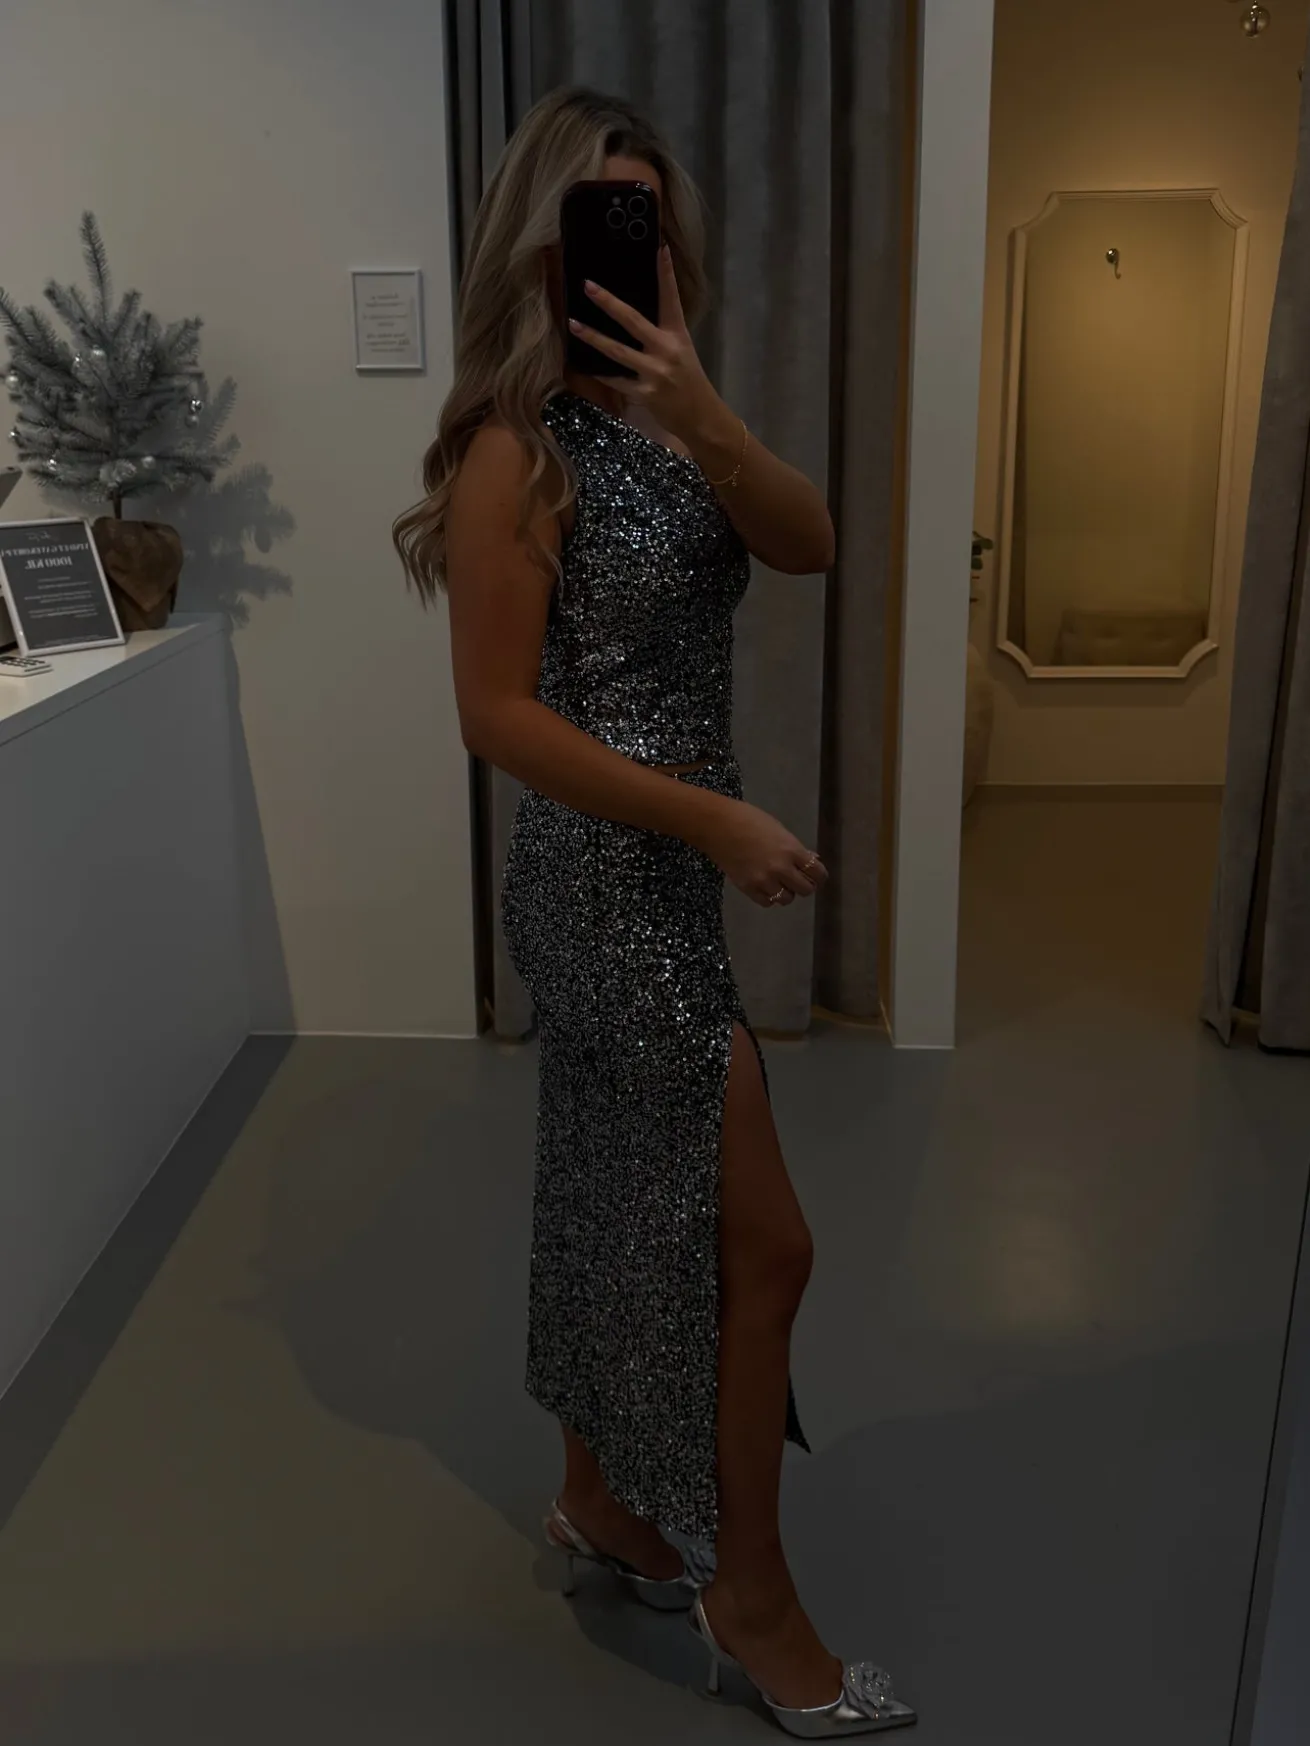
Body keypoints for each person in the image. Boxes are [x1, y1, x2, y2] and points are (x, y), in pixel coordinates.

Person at [395, 87, 914, 1737]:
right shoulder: (515, 446)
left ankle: (598, 1501)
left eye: (651, 225)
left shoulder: (672, 422)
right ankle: (748, 1597)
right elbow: (495, 715)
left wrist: (703, 411)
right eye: (596, 227)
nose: (632, 253)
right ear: (535, 252)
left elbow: (809, 540)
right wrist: (712, 815)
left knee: (607, 1195)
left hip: (667, 871)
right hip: (598, 885)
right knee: (764, 1243)